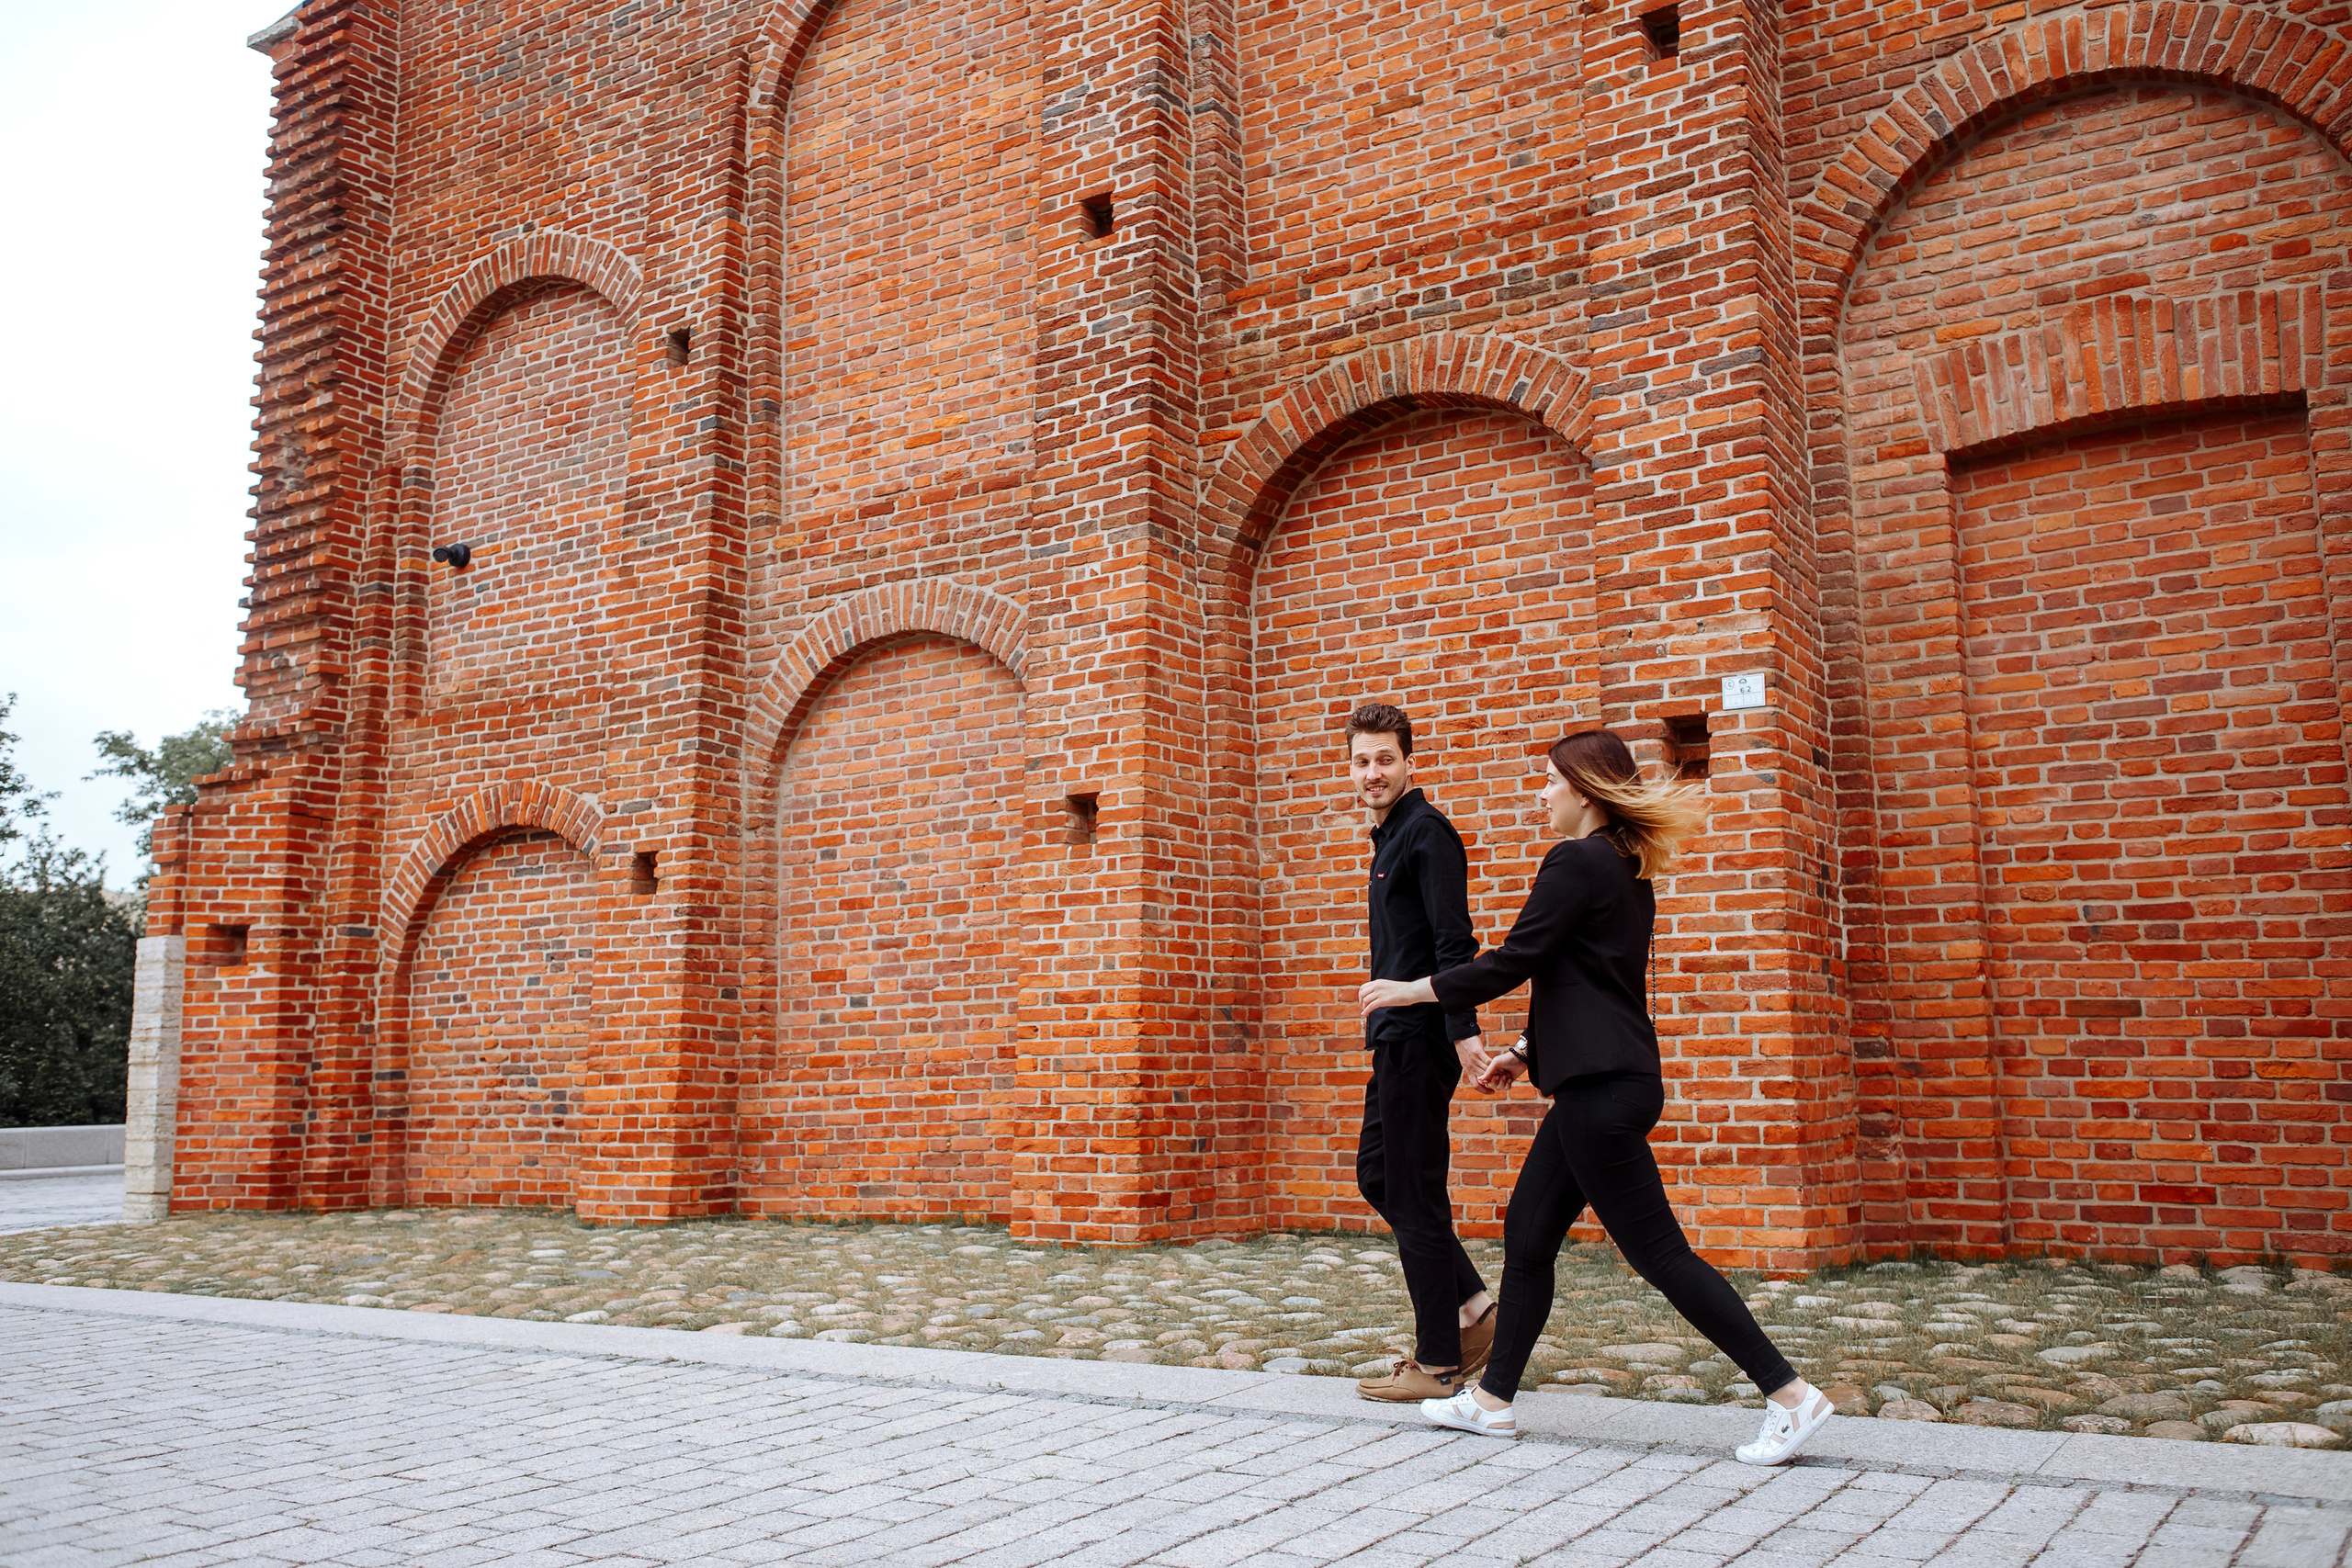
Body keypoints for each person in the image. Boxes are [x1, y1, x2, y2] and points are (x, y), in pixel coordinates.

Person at [1356, 728, 1832, 1465]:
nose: (1541, 793)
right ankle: (1491, 1403)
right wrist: (1522, 1053)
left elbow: (1517, 958)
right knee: (1527, 1234)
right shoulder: (1624, 868)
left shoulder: (1576, 860)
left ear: (1581, 789)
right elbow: (1584, 983)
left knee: (1661, 1254)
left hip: (1601, 1095)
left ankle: (1791, 1395)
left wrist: (1413, 988)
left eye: (1549, 781)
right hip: (1604, 1083)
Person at [1341, 704, 1500, 1403]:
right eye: (1361, 761)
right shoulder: (1390, 836)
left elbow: (1453, 943)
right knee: (1379, 1174)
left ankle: (1438, 1359)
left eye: (1385, 759)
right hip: (1394, 1041)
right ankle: (1472, 1309)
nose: (1373, 772)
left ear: (1409, 761)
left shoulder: (1427, 833)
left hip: (1420, 1040)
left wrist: (1464, 1033)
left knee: (1413, 1189)